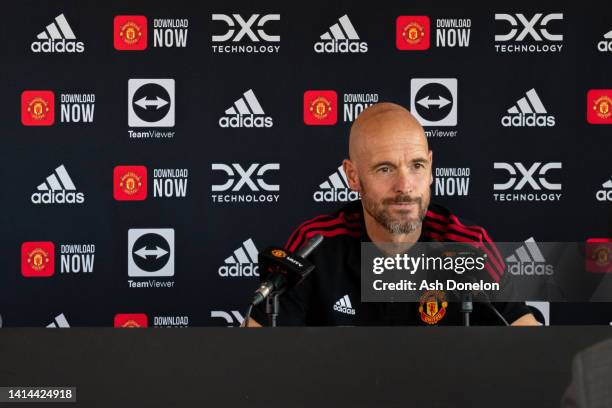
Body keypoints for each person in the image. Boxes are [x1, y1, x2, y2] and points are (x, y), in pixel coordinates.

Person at [245, 102, 539, 326]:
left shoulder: (468, 245)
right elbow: (255, 355)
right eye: (385, 169)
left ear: (431, 167)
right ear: (352, 175)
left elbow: (530, 349)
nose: (405, 186)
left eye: (417, 165)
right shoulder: (316, 245)